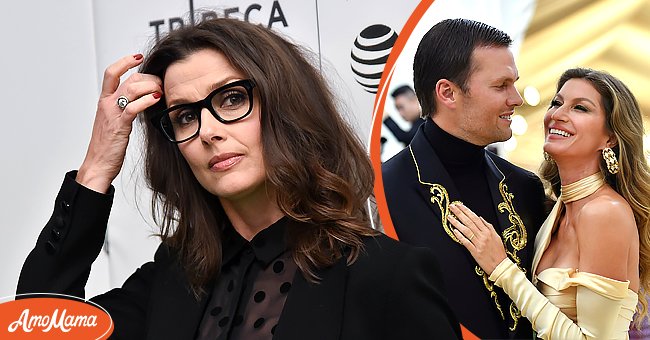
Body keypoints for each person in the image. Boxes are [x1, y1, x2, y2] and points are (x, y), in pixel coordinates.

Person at [17, 18, 461, 339]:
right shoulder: (171, 280)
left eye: (231, 99)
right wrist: (97, 166)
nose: (209, 131)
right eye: (185, 115)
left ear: (285, 106)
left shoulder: (388, 277)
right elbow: (35, 326)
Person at [449, 67, 650, 339]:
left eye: (580, 108)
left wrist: (502, 269)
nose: (557, 114)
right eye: (557, 103)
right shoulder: (559, 208)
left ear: (610, 138)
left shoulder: (604, 212)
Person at [382, 18, 548, 339]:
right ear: (448, 93)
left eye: (514, 83)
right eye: (501, 86)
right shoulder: (383, 194)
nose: (516, 98)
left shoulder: (526, 188)